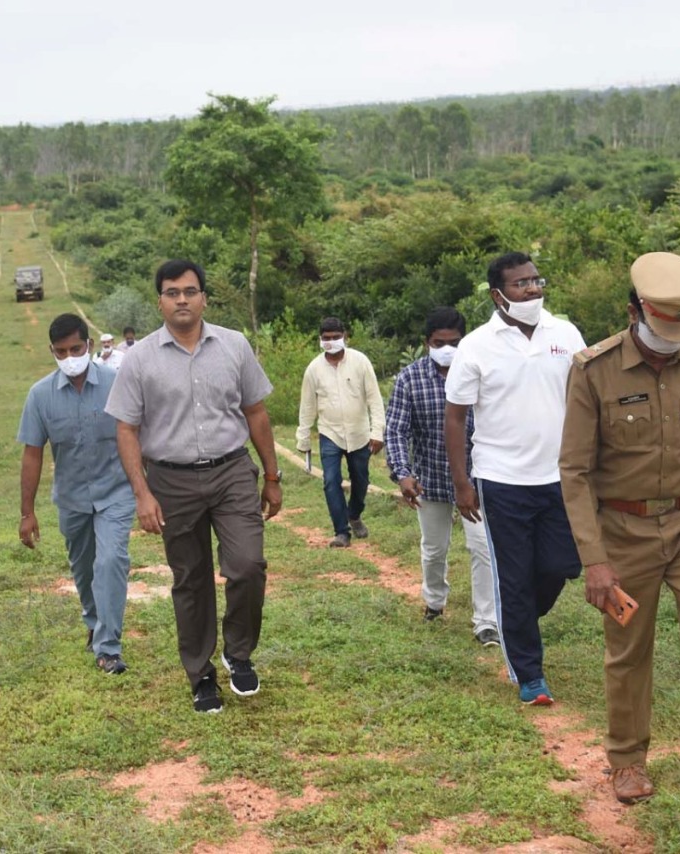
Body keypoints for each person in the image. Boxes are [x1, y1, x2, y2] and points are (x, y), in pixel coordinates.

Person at [559, 252, 680, 823]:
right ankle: (627, 760)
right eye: (664, 327)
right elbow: (573, 471)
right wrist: (594, 560)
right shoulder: (592, 370)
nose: (674, 340)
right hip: (621, 530)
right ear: (634, 312)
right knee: (628, 649)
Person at [106, 259, 282, 714]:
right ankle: (201, 675)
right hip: (171, 480)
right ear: (160, 301)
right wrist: (143, 494)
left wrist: (272, 475)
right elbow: (126, 429)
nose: (181, 299)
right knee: (191, 580)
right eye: (171, 292)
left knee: (247, 565)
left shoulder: (234, 346)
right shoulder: (140, 357)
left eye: (189, 291)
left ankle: (238, 654)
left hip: (231, 472)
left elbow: (256, 412)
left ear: (204, 297)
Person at [445, 251, 585, 705]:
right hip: (500, 479)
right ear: (498, 294)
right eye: (521, 284)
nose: (532, 290)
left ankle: (516, 620)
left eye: (535, 280)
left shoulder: (565, 333)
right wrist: (462, 482)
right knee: (514, 576)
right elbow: (455, 416)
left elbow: (585, 400)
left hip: (560, 476)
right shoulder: (477, 346)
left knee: (560, 566)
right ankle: (530, 675)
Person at [18, 313, 136, 675]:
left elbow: (136, 437)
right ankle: (93, 621)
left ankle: (108, 648)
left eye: (76, 348)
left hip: (116, 491)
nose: (70, 357)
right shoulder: (40, 396)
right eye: (61, 351)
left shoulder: (118, 383)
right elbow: (33, 454)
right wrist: (27, 512)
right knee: (84, 569)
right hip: (71, 498)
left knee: (111, 560)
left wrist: (149, 491)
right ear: (51, 352)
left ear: (89, 345)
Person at [385, 308, 499, 645]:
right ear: (426, 343)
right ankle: (434, 603)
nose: (447, 349)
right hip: (430, 480)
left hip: (478, 481)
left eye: (454, 342)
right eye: (439, 342)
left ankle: (486, 622)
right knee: (434, 550)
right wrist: (402, 473)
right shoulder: (410, 378)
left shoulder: (482, 374)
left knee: (482, 549)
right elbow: (395, 431)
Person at [295, 317, 385, 548]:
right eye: (327, 339)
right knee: (331, 481)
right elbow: (307, 407)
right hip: (330, 433)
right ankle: (341, 532)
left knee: (361, 479)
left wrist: (378, 432)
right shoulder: (313, 370)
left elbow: (374, 399)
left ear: (345, 336)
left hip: (359, 432)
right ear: (320, 340)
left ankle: (354, 514)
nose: (332, 342)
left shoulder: (360, 362)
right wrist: (303, 437)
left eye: (336, 337)